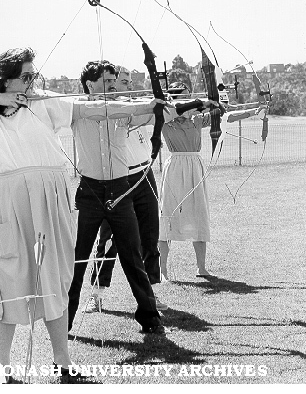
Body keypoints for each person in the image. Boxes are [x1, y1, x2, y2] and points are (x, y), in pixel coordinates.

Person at [0, 48, 165, 383]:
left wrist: (148, 106)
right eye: (26, 76)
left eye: (35, 75)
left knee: (55, 278)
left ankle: (63, 364)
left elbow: (96, 109)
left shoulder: (46, 102)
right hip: (8, 200)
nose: (33, 82)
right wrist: (0, 96)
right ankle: (3, 367)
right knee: (8, 278)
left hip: (49, 198)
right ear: (6, 77)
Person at [68, 60, 171, 335]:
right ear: (90, 85)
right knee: (78, 257)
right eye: (106, 83)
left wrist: (166, 104)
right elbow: (100, 111)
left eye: (115, 83)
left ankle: (150, 318)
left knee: (132, 255)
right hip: (90, 191)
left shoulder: (124, 110)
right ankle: (64, 323)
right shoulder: (78, 108)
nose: (113, 88)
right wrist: (148, 105)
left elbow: (161, 115)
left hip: (120, 189)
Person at [158, 81, 267, 280]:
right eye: (183, 97)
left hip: (194, 166)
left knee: (199, 212)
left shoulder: (197, 120)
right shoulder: (166, 119)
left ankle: (201, 268)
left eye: (189, 96)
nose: (189, 101)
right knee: (167, 216)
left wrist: (254, 111)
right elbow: (169, 111)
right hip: (175, 166)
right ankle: (162, 271)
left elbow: (227, 116)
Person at [87, 66, 167, 312]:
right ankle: (96, 294)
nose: (126, 86)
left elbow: (157, 114)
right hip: (120, 180)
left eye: (129, 81)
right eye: (122, 81)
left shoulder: (138, 104)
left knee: (149, 235)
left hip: (144, 173)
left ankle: (150, 294)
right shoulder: (108, 110)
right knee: (109, 238)